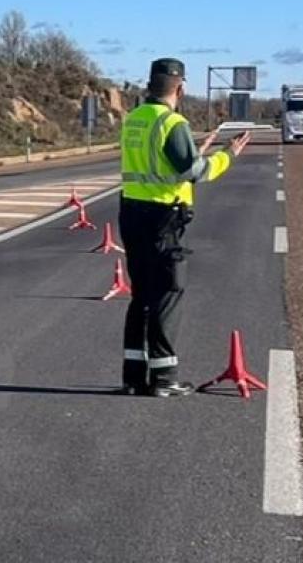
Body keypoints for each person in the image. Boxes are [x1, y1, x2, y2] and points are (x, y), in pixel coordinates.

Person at [117, 58, 250, 397]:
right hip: (163, 218)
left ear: (149, 84)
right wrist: (228, 155)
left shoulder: (134, 119)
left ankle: (134, 375)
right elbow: (197, 173)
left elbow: (155, 165)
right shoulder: (171, 122)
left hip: (132, 213)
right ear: (180, 87)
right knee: (168, 293)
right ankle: (164, 378)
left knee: (142, 295)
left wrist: (194, 151)